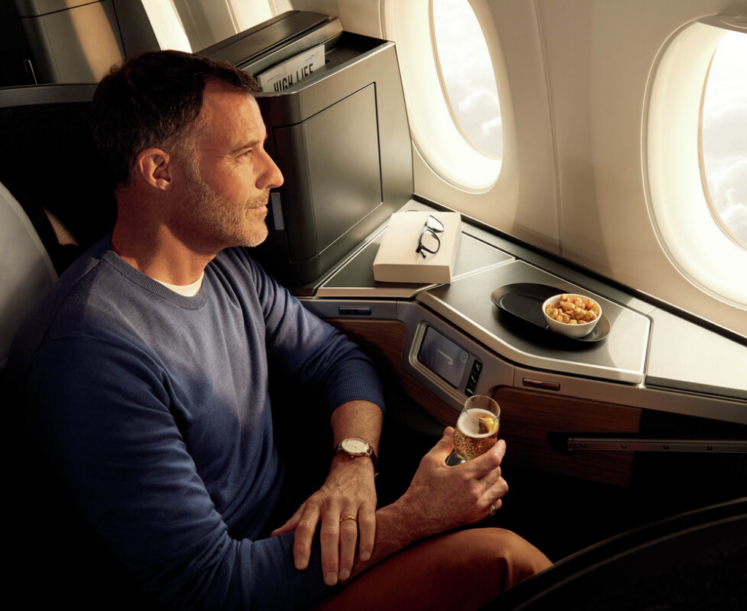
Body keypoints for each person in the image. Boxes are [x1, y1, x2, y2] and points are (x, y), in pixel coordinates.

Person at [9, 51, 550, 610]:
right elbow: (209, 587)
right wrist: (415, 516)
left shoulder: (221, 263)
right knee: (505, 563)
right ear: (160, 171)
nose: (275, 173)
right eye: (245, 153)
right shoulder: (90, 359)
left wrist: (352, 463)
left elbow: (337, 360)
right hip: (254, 588)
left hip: (304, 533)